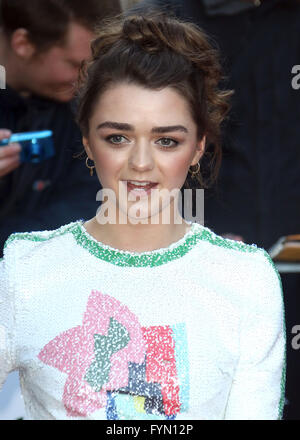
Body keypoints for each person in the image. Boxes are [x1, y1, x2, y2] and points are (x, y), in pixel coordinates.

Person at [0, 12, 285, 420]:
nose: (140, 163)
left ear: (199, 148)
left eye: (166, 140)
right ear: (87, 141)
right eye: (118, 137)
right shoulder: (25, 272)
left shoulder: (244, 279)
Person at [0, 0, 121, 257]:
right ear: (23, 44)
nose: (86, 78)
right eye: (75, 65)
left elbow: (88, 202)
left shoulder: (79, 110)